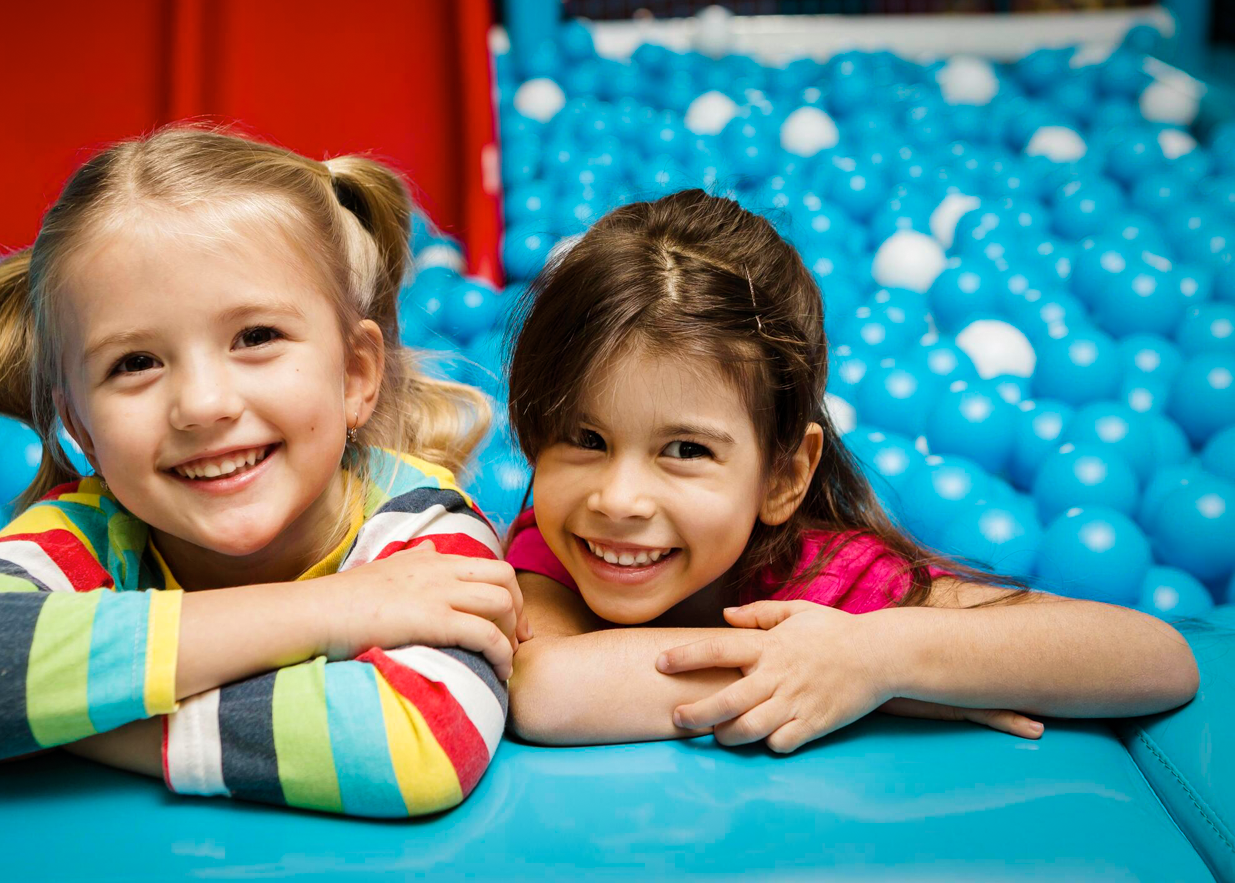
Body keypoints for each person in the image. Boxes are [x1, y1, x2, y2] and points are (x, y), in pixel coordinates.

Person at [0, 125, 523, 817]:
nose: (202, 404)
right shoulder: (93, 530)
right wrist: (333, 613)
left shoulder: (422, 531)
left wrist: (33, 725)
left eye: (255, 336)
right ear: (80, 425)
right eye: (136, 363)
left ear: (356, 374)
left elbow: (414, 745)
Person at [503, 189, 1199, 749]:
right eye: (584, 437)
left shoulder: (826, 580)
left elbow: (1158, 658)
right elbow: (545, 686)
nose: (619, 498)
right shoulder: (561, 542)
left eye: (686, 451)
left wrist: (876, 661)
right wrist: (830, 675)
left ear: (783, 476)